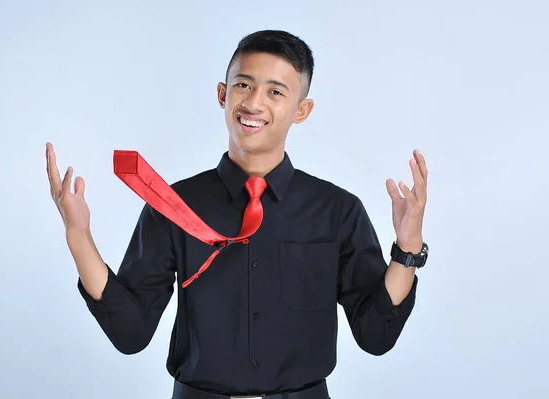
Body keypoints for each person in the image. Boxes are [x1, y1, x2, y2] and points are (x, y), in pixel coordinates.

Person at [46, 30, 429, 399]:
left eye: (275, 91)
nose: (254, 103)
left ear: (302, 110)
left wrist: (407, 250)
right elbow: (130, 334)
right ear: (222, 93)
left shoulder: (337, 211)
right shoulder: (172, 206)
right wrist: (79, 237)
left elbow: (376, 335)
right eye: (244, 85)